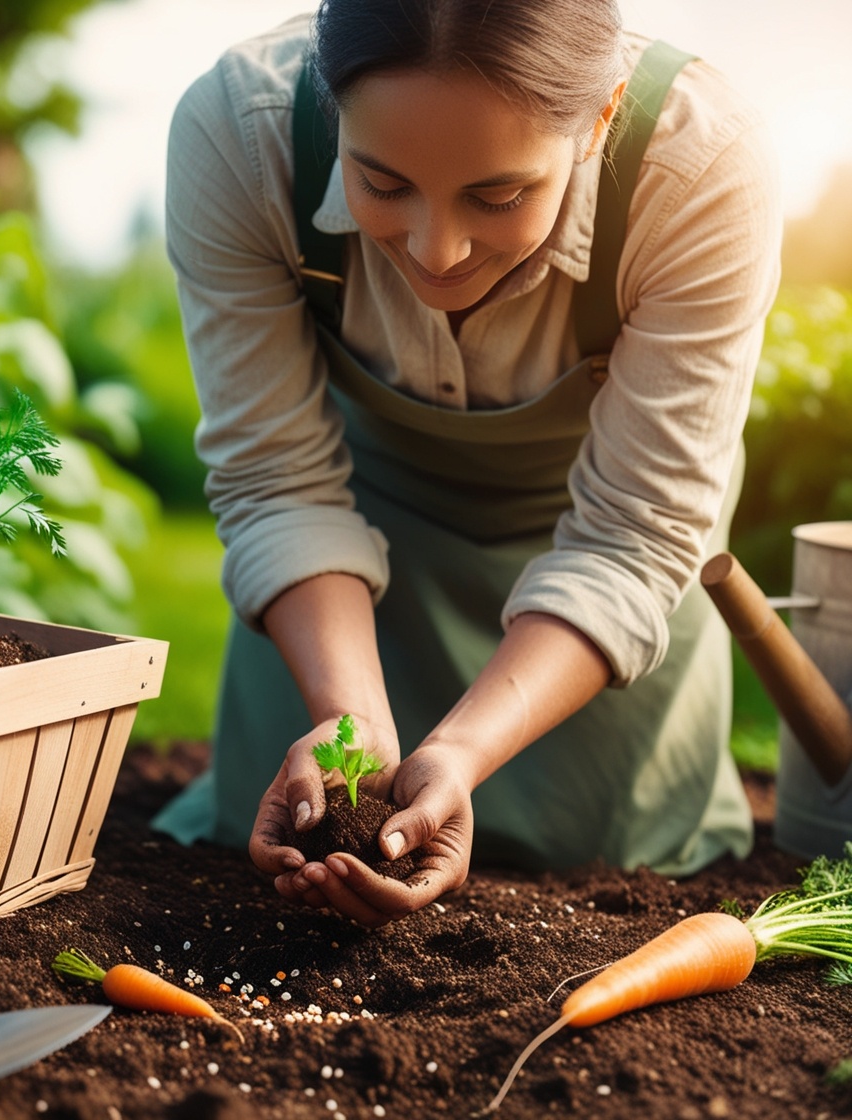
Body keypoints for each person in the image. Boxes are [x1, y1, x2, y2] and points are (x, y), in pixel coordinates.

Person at [151, 0, 782, 927]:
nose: (435, 252)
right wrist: (351, 725)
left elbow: (635, 534)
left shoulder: (698, 168)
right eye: (380, 181)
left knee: (598, 882)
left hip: (593, 616)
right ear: (330, 103)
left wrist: (462, 750)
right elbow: (278, 480)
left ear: (599, 118)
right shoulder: (241, 135)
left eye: (498, 197)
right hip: (343, 583)